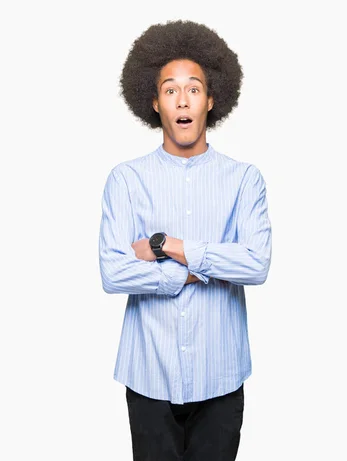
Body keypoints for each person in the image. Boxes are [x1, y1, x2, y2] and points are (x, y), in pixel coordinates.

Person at [98, 19, 272, 461]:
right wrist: (203, 269)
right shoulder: (126, 180)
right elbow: (114, 272)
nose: (182, 99)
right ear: (154, 102)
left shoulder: (244, 181)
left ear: (211, 100)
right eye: (170, 90)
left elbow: (256, 265)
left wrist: (164, 246)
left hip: (221, 378)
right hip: (148, 377)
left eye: (193, 89)